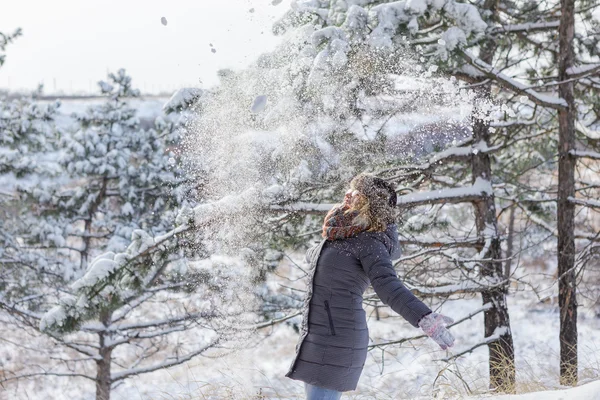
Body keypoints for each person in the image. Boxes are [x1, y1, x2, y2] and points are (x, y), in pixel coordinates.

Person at [285, 173, 455, 400]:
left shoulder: (370, 242)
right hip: (318, 334)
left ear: (366, 201)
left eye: (354, 192)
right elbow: (320, 258)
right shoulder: (342, 234)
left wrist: (424, 317)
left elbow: (388, 286)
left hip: (337, 338)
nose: (346, 194)